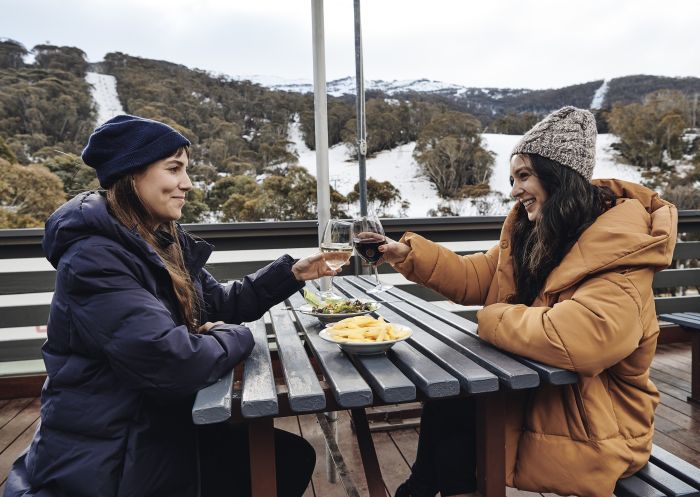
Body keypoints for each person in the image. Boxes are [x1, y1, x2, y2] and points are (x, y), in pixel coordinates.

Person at [4, 115, 335, 497]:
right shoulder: (94, 258)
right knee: (282, 460)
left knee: (288, 457)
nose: (187, 184)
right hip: (116, 447)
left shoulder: (158, 240)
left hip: (159, 419)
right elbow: (173, 360)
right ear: (132, 175)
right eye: (174, 169)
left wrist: (291, 274)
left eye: (186, 170)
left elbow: (219, 302)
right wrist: (236, 336)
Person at [379, 107, 678, 497]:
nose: (515, 190)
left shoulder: (622, 253)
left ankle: (425, 485)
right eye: (512, 178)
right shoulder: (538, 235)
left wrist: (491, 318)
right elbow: (478, 275)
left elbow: (579, 341)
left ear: (559, 177)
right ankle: (423, 483)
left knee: (462, 406)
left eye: (524, 176)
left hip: (599, 428)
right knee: (452, 394)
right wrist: (409, 256)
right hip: (547, 399)